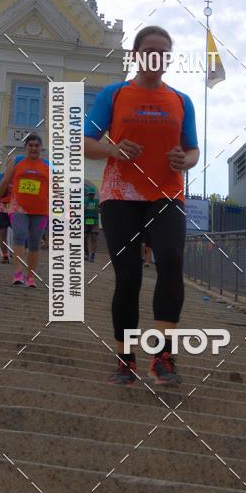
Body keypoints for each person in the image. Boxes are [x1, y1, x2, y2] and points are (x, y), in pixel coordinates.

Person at [84, 25, 199, 386]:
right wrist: (112, 149)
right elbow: (84, 142)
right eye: (149, 49)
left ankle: (163, 355)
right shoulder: (115, 95)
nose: (156, 56)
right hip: (120, 196)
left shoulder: (181, 101)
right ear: (135, 54)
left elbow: (192, 149)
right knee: (129, 276)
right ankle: (126, 358)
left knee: (171, 261)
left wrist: (186, 159)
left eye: (164, 51)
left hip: (166, 193)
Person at [0, 133, 49, 287]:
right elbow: (4, 182)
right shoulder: (17, 161)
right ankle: (18, 272)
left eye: (37, 145)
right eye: (30, 145)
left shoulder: (48, 165)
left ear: (41, 148)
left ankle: (30, 276)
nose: (34, 148)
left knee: (35, 242)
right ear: (26, 147)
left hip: (41, 210)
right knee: (20, 235)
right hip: (18, 208)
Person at [84, 188, 100, 262]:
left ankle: (92, 255)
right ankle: (86, 252)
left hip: (95, 221)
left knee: (94, 238)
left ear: (94, 195)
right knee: (84, 237)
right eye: (90, 194)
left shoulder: (97, 201)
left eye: (92, 194)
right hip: (85, 220)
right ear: (88, 194)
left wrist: (98, 209)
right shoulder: (84, 200)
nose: (91, 195)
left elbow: (100, 210)